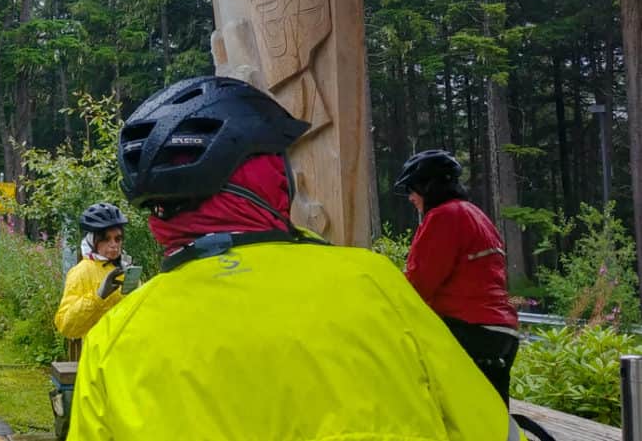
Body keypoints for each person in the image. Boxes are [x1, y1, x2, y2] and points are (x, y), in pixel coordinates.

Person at [68, 76, 524, 441]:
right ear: (273, 180)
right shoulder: (371, 282)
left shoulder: (115, 338)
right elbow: (486, 427)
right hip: (491, 328)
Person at [394, 149, 520, 406]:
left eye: (412, 190)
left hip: (468, 329)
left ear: (427, 186)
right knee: (490, 420)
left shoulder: (442, 217)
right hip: (501, 333)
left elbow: (418, 285)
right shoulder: (475, 214)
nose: (410, 198)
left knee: (408, 383)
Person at [54, 203, 132, 340]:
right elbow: (66, 326)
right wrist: (98, 296)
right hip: (97, 356)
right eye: (106, 239)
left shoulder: (125, 269)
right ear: (92, 241)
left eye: (118, 239)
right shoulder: (81, 272)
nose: (114, 244)